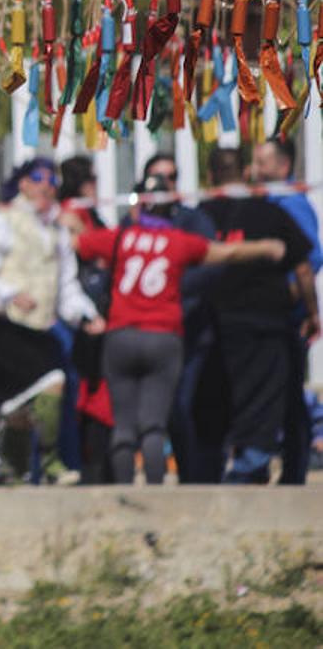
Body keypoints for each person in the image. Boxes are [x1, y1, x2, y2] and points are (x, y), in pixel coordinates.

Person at [75, 174, 285, 485]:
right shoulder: (178, 241)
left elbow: (77, 242)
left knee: (123, 424)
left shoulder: (120, 237)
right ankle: (156, 498)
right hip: (163, 337)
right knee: (154, 425)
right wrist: (267, 247)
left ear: (138, 208)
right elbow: (226, 252)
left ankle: (123, 495)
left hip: (121, 336)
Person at [0, 157, 102, 483]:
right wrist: (9, 294)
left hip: (39, 331)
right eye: (39, 178)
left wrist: (86, 315)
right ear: (24, 184)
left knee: (51, 384)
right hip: (2, 329)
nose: (47, 186)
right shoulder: (4, 221)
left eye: (52, 181)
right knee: (19, 405)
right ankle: (26, 468)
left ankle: (41, 464)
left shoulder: (58, 231)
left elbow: (66, 287)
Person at [200, 148, 319, 484]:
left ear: (210, 177)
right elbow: (304, 267)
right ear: (248, 173)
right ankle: (250, 465)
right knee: (264, 395)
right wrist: (311, 312)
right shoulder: (269, 211)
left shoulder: (200, 214)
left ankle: (234, 467)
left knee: (225, 394)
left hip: (217, 320)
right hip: (266, 319)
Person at [133, 153, 224, 484]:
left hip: (189, 331)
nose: (163, 185)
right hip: (146, 334)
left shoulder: (193, 220)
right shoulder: (134, 223)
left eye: (170, 178)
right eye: (157, 178)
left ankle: (192, 477)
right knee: (155, 413)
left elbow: (212, 265)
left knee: (182, 405)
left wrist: (171, 288)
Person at [251, 137, 323, 485]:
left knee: (290, 397)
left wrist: (290, 296)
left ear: (282, 166)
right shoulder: (265, 201)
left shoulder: (291, 202)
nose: (255, 171)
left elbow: (311, 257)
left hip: (288, 319)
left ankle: (293, 472)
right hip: (271, 317)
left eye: (262, 163)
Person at [58, 156, 113, 484]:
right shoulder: (72, 213)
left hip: (99, 312)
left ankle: (96, 467)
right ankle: (84, 466)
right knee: (82, 393)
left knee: (98, 395)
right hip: (82, 317)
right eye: (91, 178)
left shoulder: (87, 212)